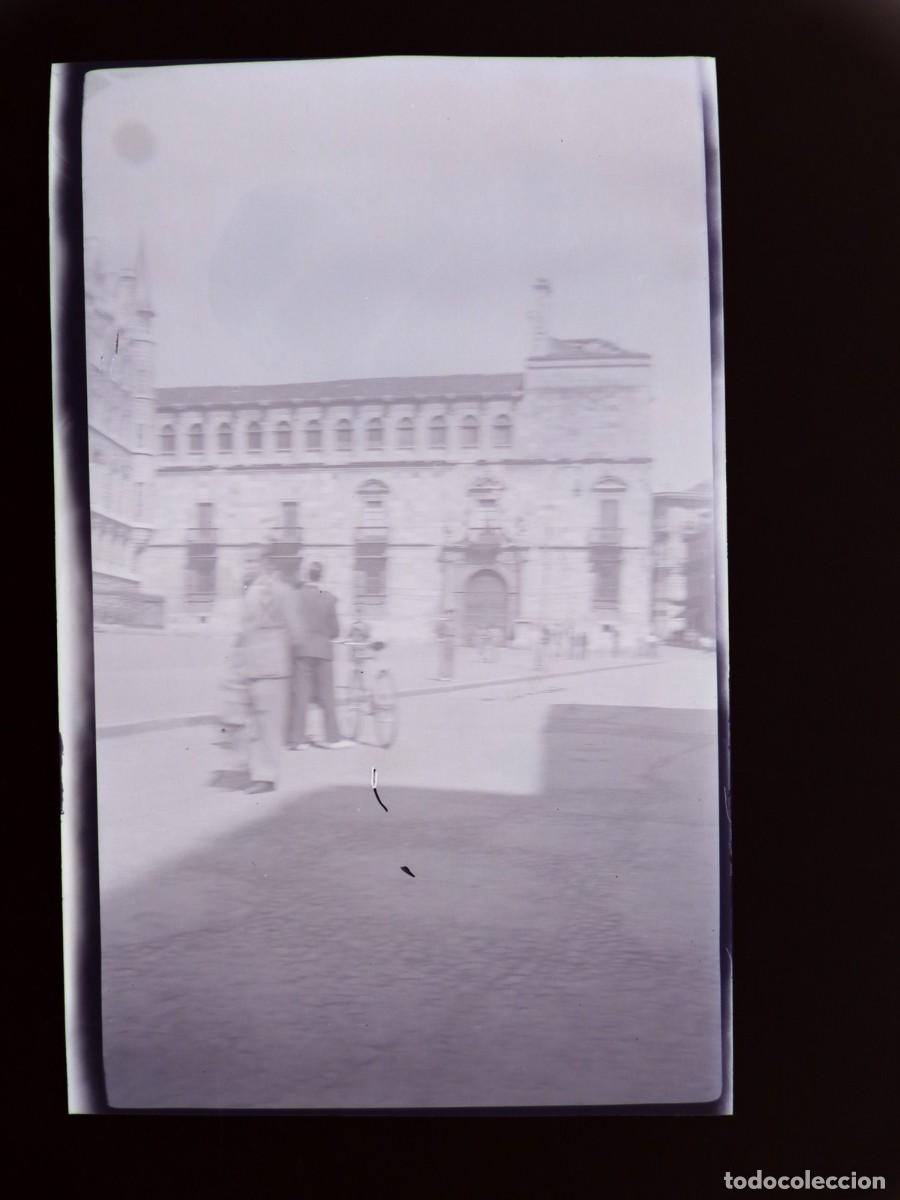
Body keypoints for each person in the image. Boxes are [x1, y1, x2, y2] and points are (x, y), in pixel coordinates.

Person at [240, 545, 300, 793]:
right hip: (254, 665)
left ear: (267, 563)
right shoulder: (250, 592)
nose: (249, 566)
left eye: (253, 561)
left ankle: (266, 776)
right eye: (247, 562)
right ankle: (260, 773)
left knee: (270, 723)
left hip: (274, 667)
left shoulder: (282, 592)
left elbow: (295, 631)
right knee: (256, 723)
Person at [288, 562, 354, 749]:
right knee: (327, 695)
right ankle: (332, 738)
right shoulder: (328, 599)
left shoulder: (294, 597)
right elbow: (335, 631)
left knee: (301, 694)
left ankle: (298, 740)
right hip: (323, 651)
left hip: (301, 650)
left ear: (306, 576)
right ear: (321, 576)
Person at [435, 610, 455, 680]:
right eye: (450, 614)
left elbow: (453, 631)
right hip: (445, 639)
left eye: (452, 614)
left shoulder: (453, 622)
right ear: (446, 614)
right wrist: (440, 638)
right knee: (443, 658)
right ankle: (442, 675)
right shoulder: (442, 622)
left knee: (450, 659)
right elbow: (437, 630)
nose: (452, 615)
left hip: (451, 640)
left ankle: (449, 676)